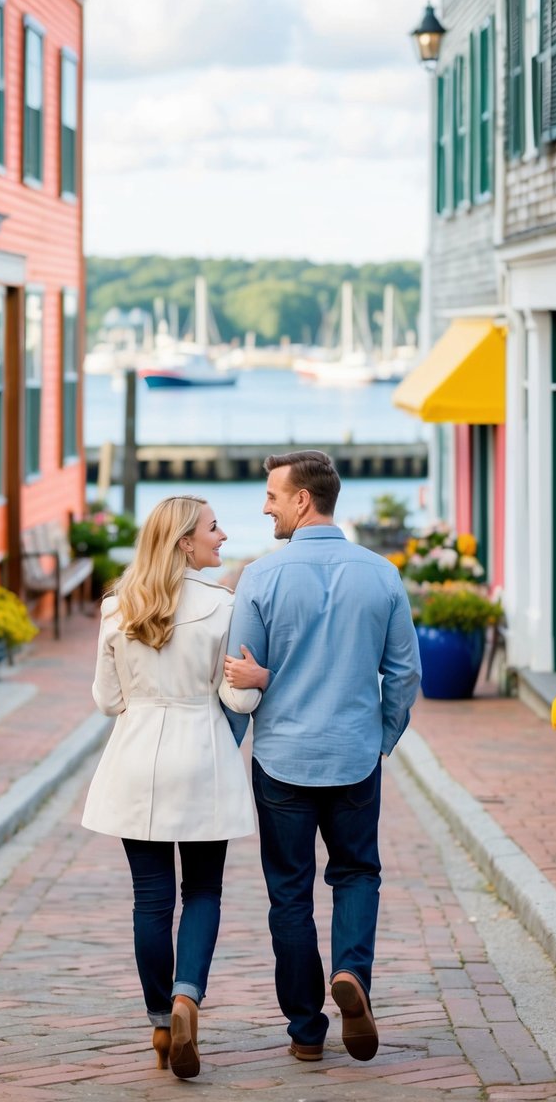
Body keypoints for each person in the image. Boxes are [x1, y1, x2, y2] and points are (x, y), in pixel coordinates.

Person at [223, 450, 421, 1064]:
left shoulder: (259, 577)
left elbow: (237, 684)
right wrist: (381, 738)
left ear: (303, 499)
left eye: (273, 496)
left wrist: (229, 745)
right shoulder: (381, 574)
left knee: (290, 893)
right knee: (357, 872)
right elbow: (406, 673)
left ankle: (307, 1029)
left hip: (281, 758)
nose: (265, 506)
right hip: (355, 756)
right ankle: (353, 974)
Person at [81, 495, 261, 1079]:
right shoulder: (221, 606)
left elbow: (108, 701)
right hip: (201, 754)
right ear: (185, 541)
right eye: (214, 528)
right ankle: (187, 997)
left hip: (136, 759)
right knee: (203, 891)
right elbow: (235, 696)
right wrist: (256, 684)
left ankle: (161, 1020)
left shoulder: (117, 604)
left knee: (151, 900)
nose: (223, 535)